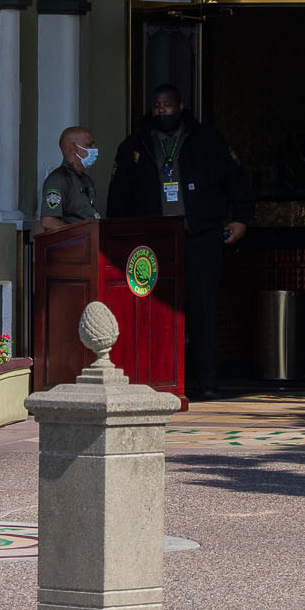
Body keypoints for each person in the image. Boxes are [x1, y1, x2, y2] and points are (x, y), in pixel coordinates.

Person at [108, 83, 254, 399]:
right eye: (157, 105)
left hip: (200, 238)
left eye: (168, 105)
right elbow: (119, 197)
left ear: (181, 106)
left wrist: (241, 218)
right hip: (151, 243)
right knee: (152, 311)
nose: (162, 110)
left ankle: (207, 381)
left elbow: (238, 181)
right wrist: (118, 239)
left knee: (203, 310)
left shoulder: (207, 140)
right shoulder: (134, 145)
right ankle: (153, 378)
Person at [34, 126, 100, 232]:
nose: (94, 148)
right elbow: (48, 221)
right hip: (74, 243)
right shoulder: (57, 180)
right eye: (89, 145)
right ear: (74, 149)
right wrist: (79, 233)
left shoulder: (86, 180)